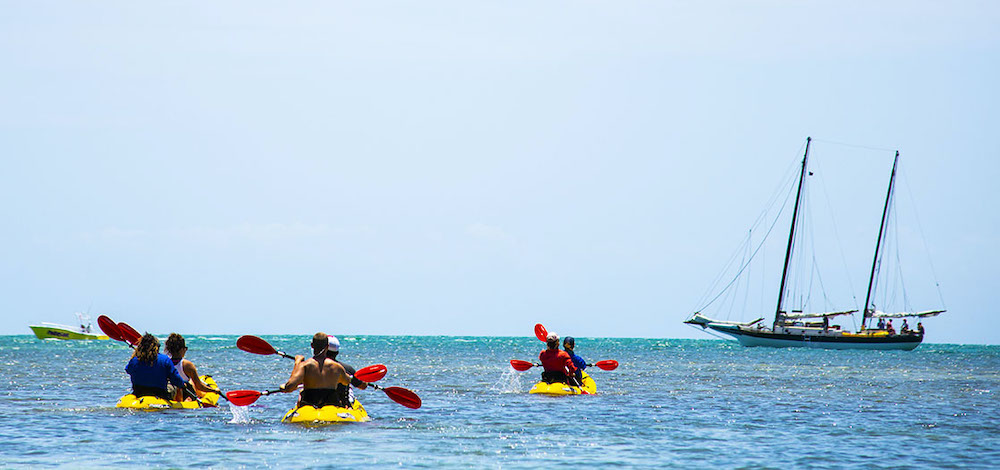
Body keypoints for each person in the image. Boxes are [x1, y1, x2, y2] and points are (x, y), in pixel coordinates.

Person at [278, 332, 351, 408]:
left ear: (312, 345)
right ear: (327, 346)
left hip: (309, 404)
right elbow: (347, 381)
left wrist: (297, 362)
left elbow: (290, 387)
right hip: (331, 406)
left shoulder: (304, 366)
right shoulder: (337, 367)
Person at [125, 333, 188, 401]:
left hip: (139, 393)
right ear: (156, 347)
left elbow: (128, 370)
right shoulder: (165, 360)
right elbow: (176, 379)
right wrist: (183, 384)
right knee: (176, 386)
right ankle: (180, 405)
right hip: (160, 394)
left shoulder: (134, 360)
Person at [164, 333, 215, 402]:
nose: (186, 350)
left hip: (171, 392)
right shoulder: (187, 365)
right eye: (185, 348)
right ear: (181, 349)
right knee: (190, 384)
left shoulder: (165, 363)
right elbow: (199, 386)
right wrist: (214, 390)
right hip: (186, 394)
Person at [323, 334, 367, 407]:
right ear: (337, 353)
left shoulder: (310, 367)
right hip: (340, 403)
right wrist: (366, 381)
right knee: (349, 389)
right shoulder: (346, 368)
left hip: (319, 402)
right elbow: (362, 386)